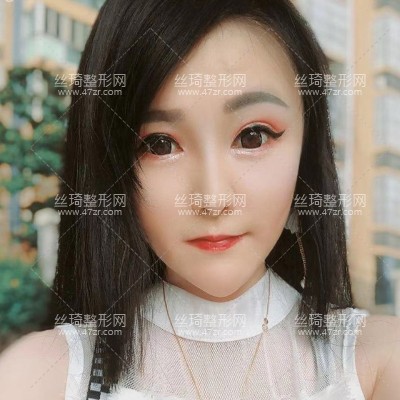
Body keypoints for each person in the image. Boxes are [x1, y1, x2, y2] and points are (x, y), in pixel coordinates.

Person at [0, 0, 399, 399]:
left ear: (306, 147)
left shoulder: (378, 363)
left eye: (253, 137)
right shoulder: (43, 377)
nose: (213, 199)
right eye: (159, 145)